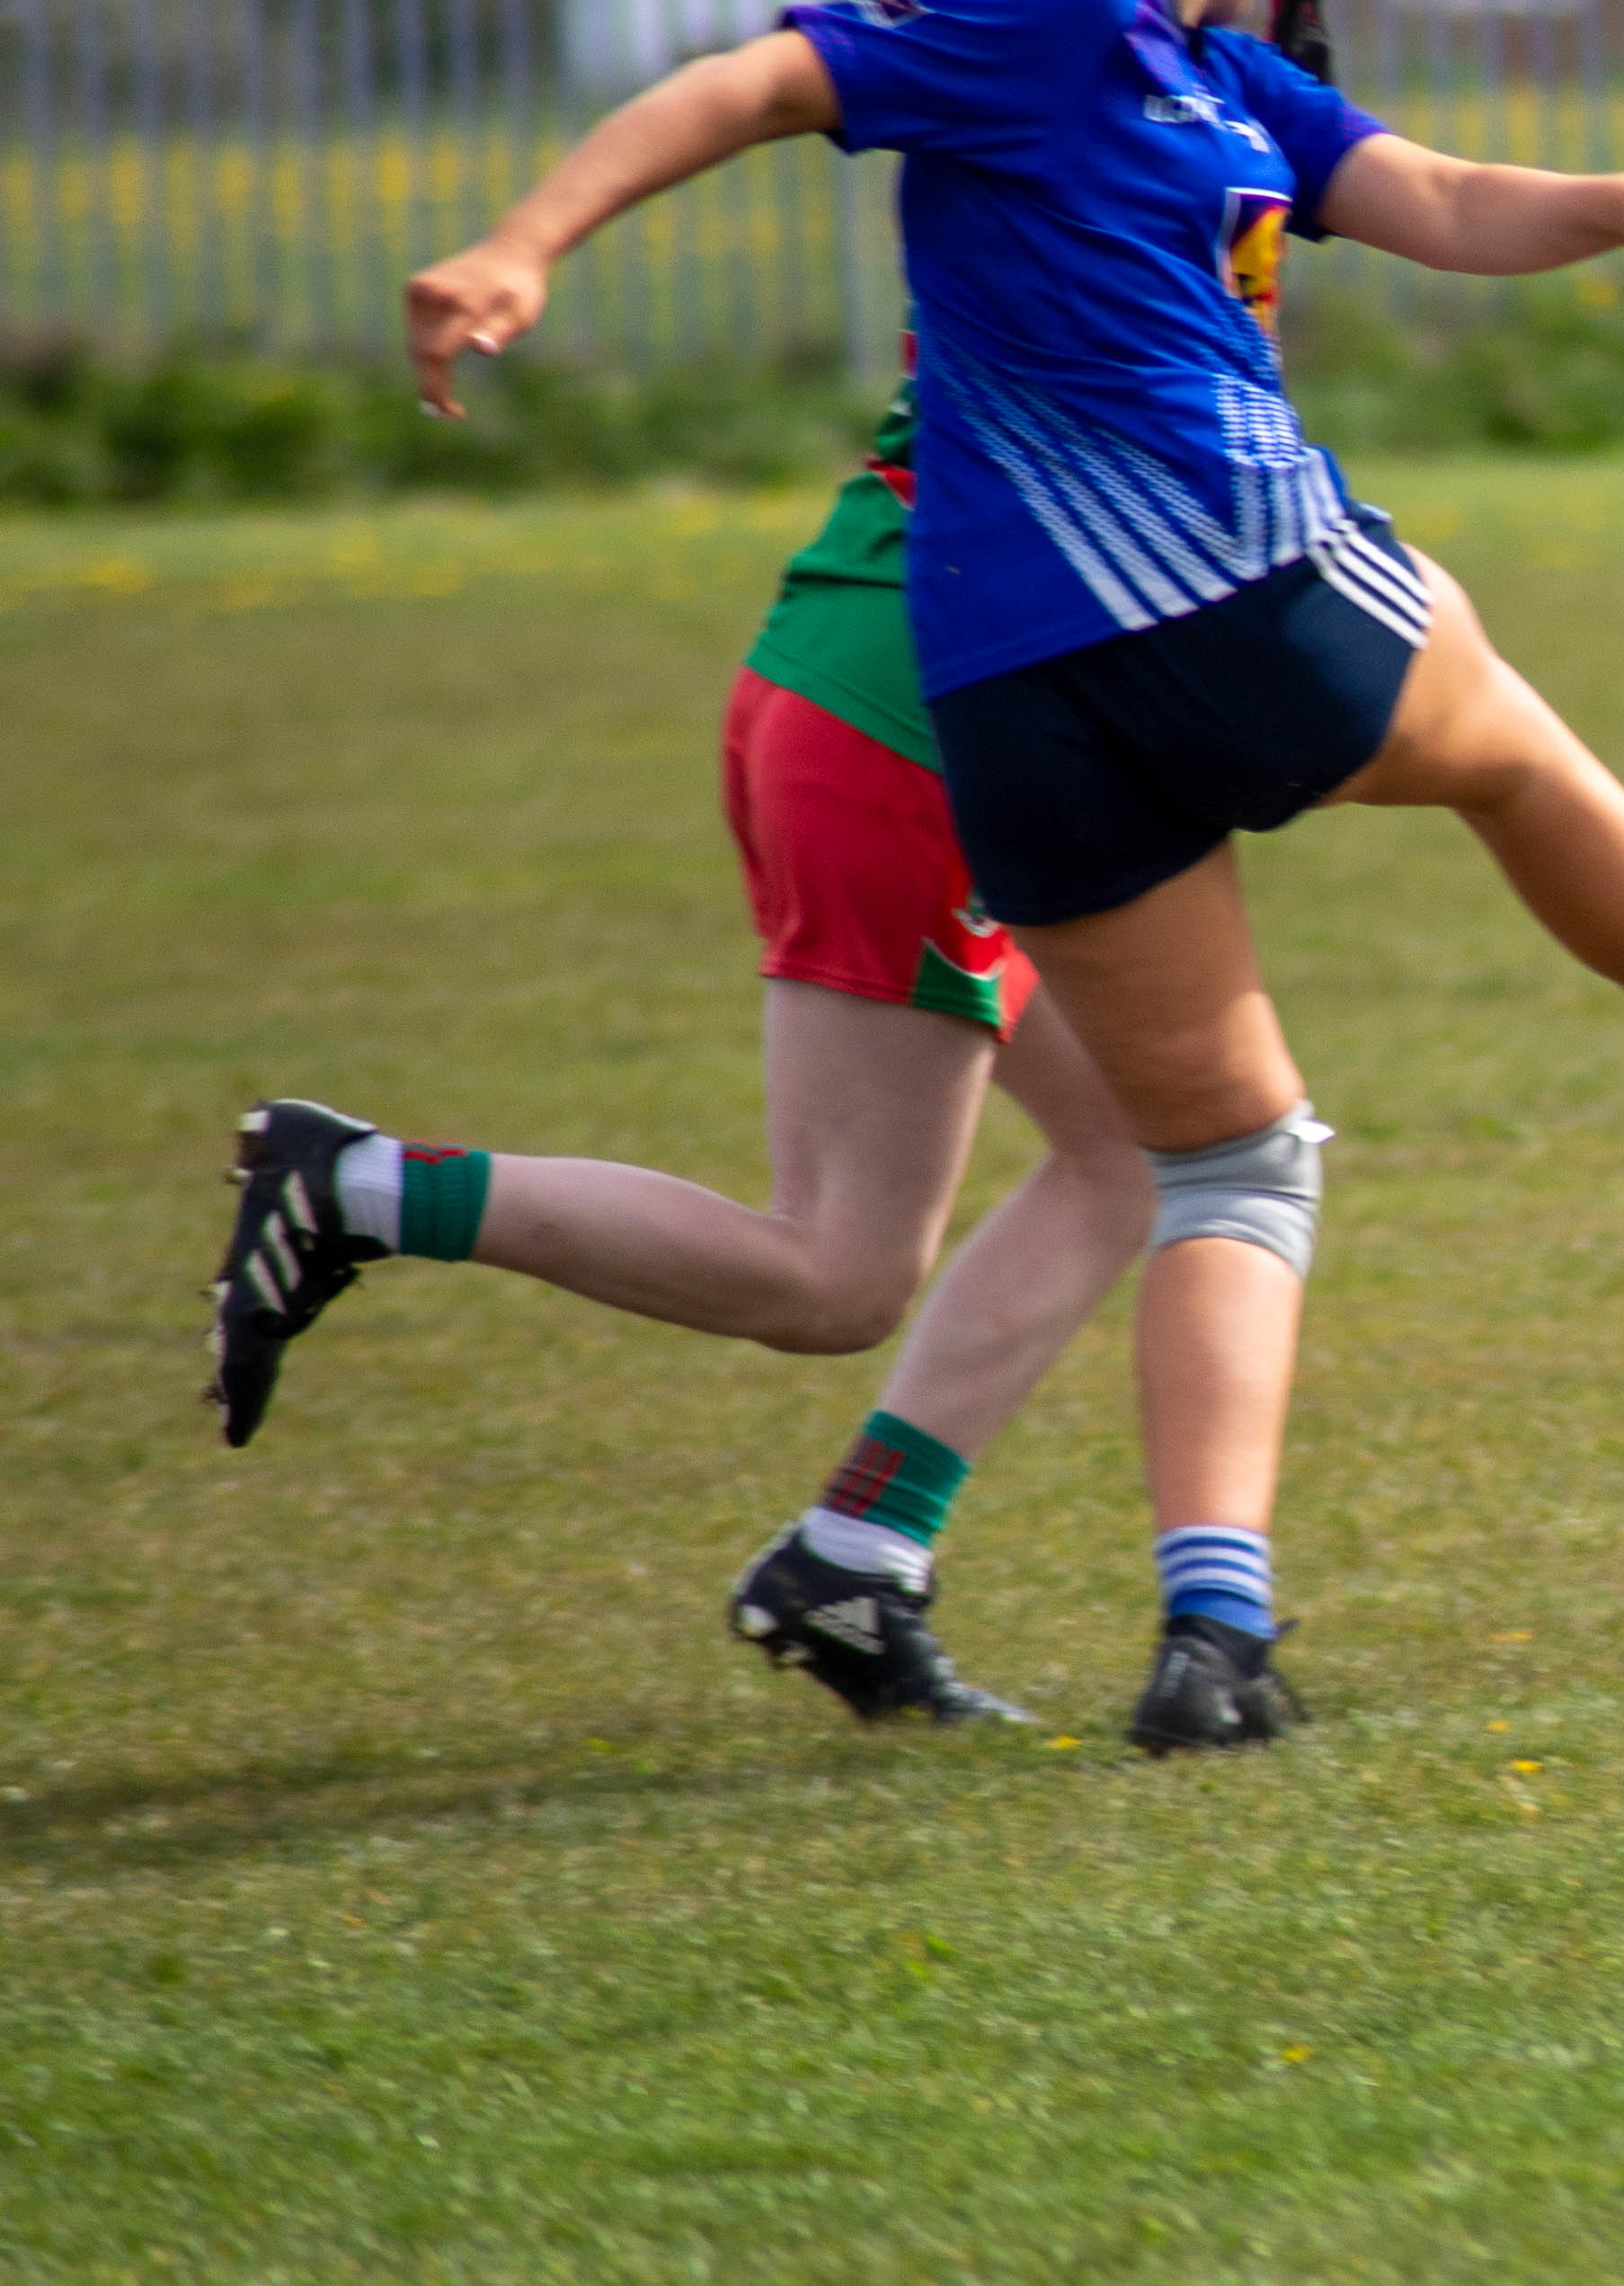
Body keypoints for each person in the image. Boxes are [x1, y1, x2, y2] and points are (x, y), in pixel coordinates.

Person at [295, 0, 1624, 1753]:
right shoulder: (1055, 4)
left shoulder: (1222, 78)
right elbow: (752, 78)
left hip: (1019, 689)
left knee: (1229, 1155)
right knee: (1511, 745)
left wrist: (1613, 200)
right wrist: (523, 240)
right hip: (1222, 576)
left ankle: (1210, 1644)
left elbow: (1435, 195)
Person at [208, 336, 1158, 1727]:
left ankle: (853, 1563)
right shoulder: (1144, 215)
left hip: (866, 682)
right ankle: (359, 1186)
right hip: (910, 728)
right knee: (834, 1274)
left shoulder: (1091, 207)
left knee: (1141, 1139)